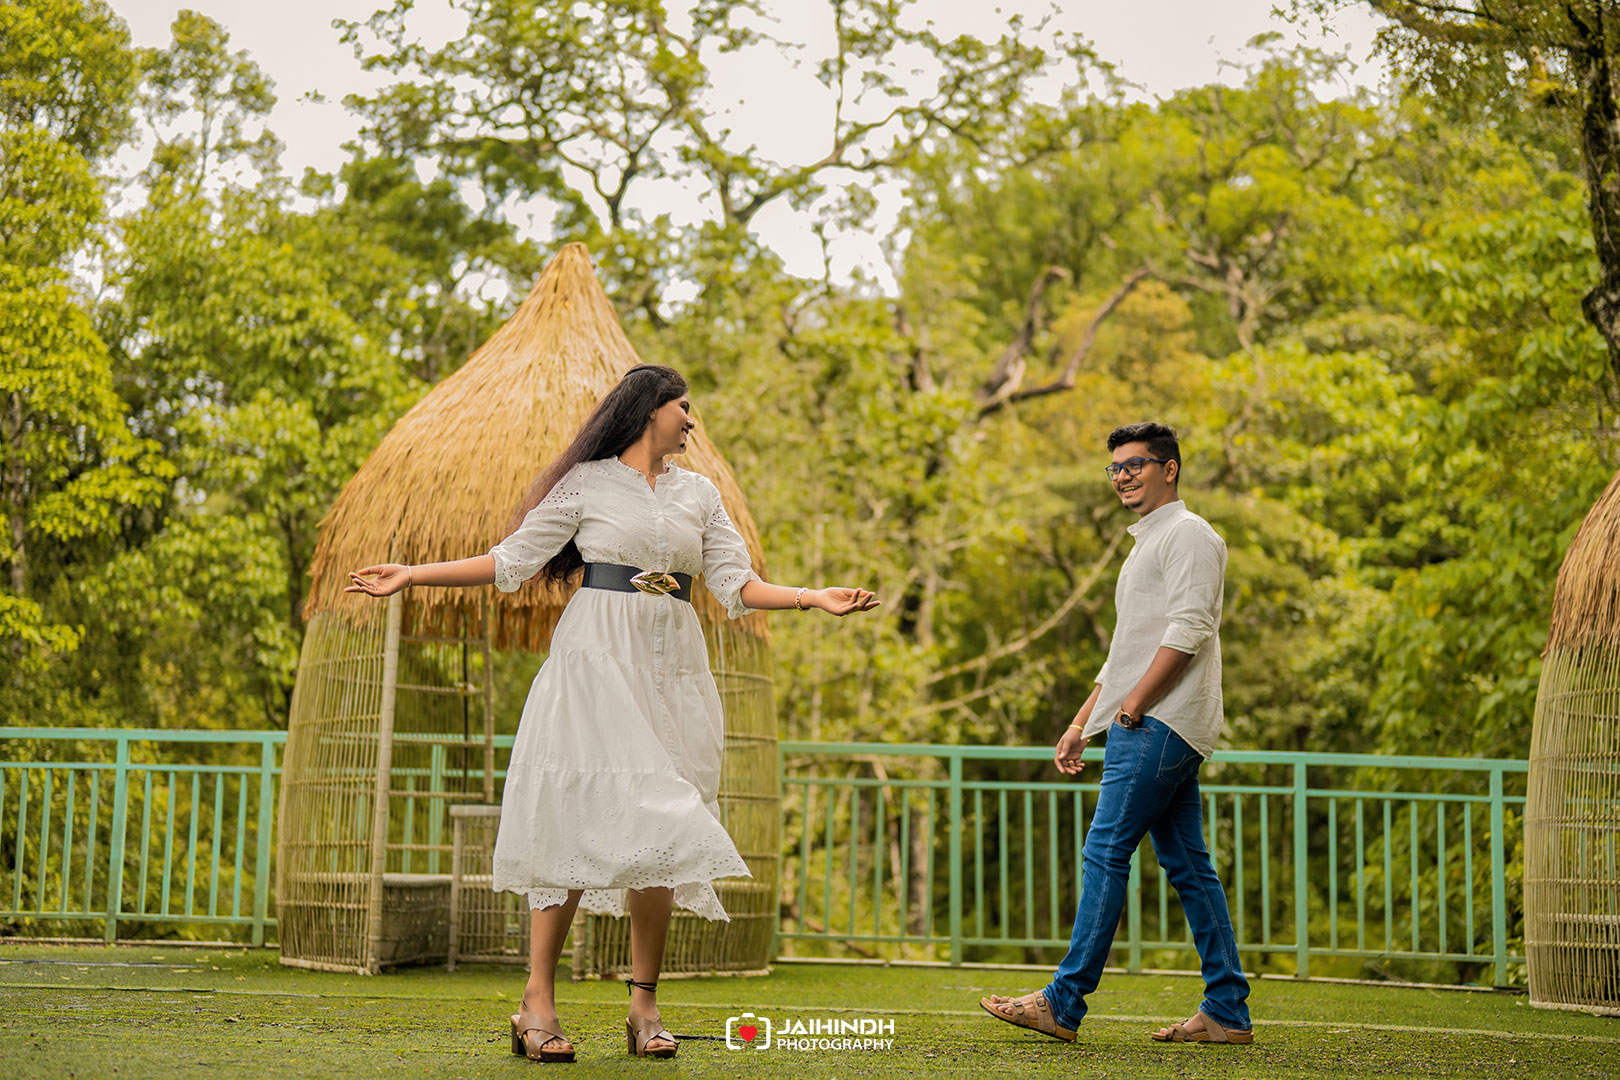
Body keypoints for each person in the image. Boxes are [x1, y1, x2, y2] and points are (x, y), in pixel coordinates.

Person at [346, 364, 879, 1062]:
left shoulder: (699, 494)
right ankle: (537, 1001)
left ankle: (644, 1005)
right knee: (572, 816)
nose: (691, 420)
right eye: (683, 406)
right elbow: (510, 560)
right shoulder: (587, 483)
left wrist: (814, 597)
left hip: (674, 669)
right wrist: (413, 575)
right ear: (650, 409)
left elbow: (736, 583)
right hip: (594, 662)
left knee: (665, 825)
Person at [978, 422, 1253, 1046]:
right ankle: (1228, 1010)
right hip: (1151, 719)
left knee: (1105, 850)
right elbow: (1124, 652)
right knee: (1189, 866)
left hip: (1161, 722)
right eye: (1116, 468)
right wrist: (1083, 722)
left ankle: (1063, 1001)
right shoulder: (1147, 542)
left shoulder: (1189, 534)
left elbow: (1190, 629)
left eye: (1135, 464)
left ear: (1169, 469)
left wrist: (1131, 709)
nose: (1123, 476)